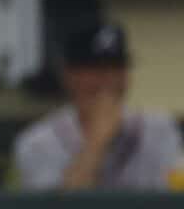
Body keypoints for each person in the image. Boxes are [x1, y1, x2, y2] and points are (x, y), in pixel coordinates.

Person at [13, 21, 183, 191]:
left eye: (117, 68)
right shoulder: (37, 143)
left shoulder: (159, 129)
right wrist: (96, 142)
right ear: (69, 75)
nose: (108, 80)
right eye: (96, 69)